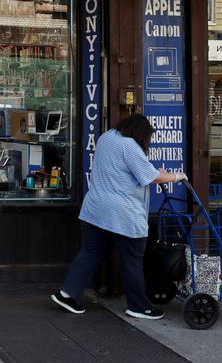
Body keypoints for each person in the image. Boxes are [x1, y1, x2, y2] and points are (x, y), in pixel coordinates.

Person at [51, 113, 187, 320]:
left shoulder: (107, 137)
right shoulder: (130, 146)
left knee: (90, 253)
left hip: (95, 211)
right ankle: (138, 306)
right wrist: (178, 176)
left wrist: (155, 172)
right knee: (132, 260)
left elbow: (133, 170)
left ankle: (66, 294)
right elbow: (150, 177)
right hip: (122, 215)